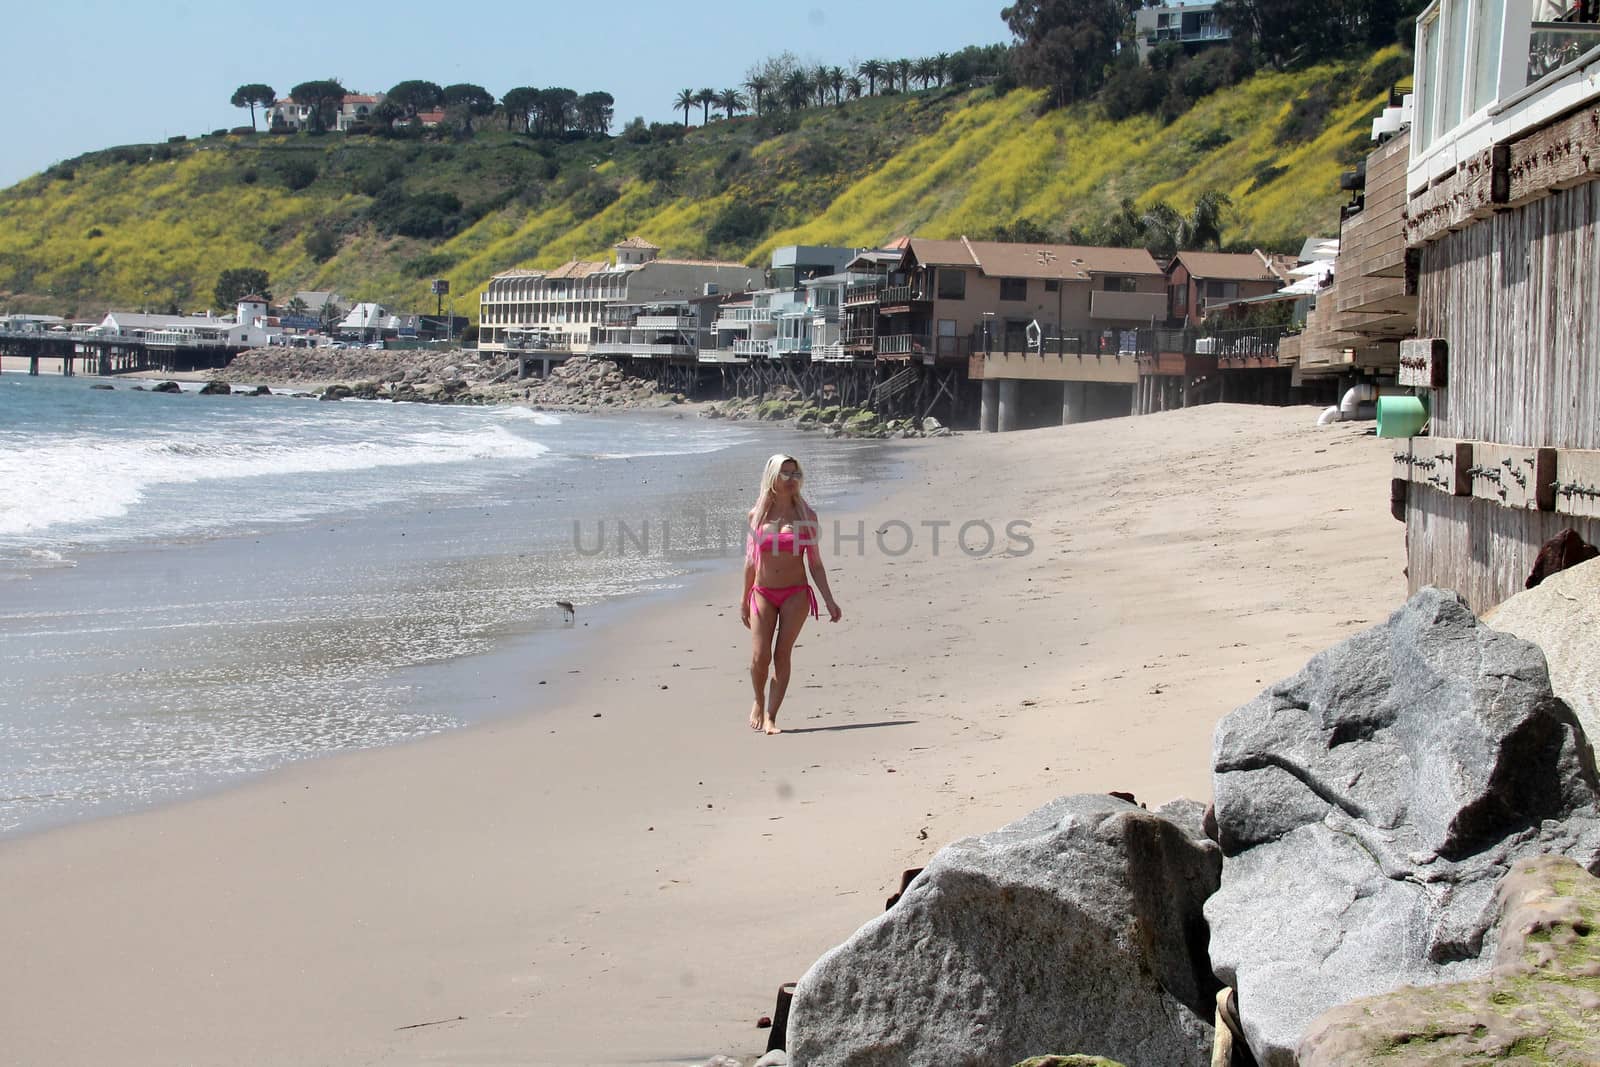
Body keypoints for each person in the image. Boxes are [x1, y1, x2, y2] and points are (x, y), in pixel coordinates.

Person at [741, 454, 842, 734]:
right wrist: (743, 598)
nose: (790, 480)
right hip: (762, 593)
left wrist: (828, 599)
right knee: (760, 657)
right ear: (772, 477)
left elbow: (816, 564)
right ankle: (759, 701)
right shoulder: (757, 515)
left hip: (795, 594)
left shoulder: (806, 516)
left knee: (781, 654)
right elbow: (750, 562)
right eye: (784, 474)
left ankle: (771, 716)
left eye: (795, 475)